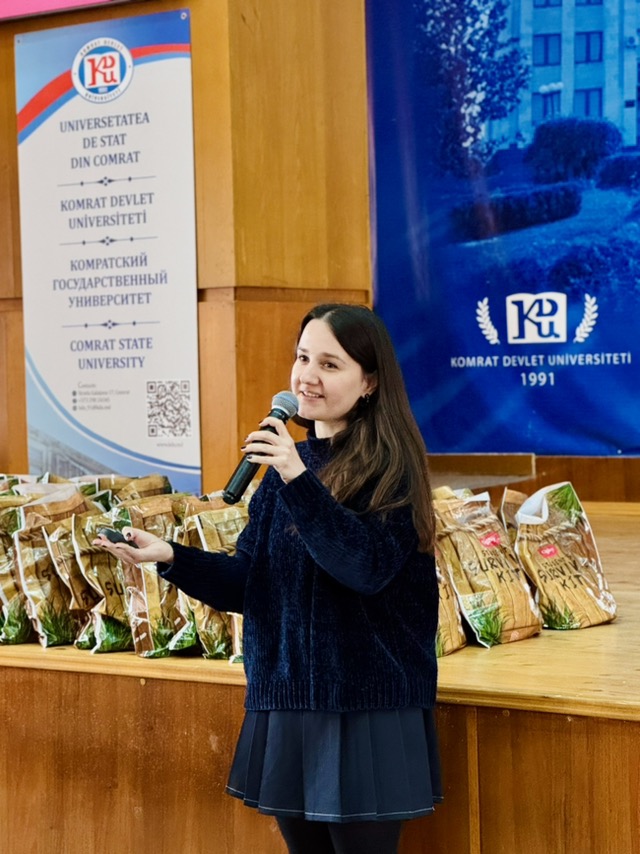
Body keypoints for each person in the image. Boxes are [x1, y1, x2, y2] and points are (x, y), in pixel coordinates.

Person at [94, 303, 442, 854]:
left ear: (370, 382)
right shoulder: (285, 471)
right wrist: (170, 557)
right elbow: (249, 584)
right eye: (303, 358)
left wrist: (297, 476)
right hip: (287, 699)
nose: (307, 376)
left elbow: (364, 568)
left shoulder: (391, 468)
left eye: (330, 364)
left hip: (366, 706)